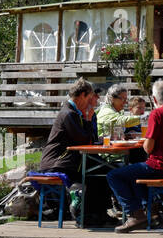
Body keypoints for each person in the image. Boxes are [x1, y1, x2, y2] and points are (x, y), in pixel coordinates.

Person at [109, 80, 163, 232]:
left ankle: (135, 215)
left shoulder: (157, 114)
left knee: (114, 175)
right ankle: (151, 210)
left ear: (154, 99)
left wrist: (148, 146)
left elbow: (148, 148)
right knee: (134, 173)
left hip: (159, 165)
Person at [39, 79, 114, 226]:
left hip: (70, 159)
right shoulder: (68, 113)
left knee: (103, 169)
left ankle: (99, 213)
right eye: (89, 97)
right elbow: (84, 139)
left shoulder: (74, 112)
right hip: (58, 162)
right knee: (97, 172)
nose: (90, 101)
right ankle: (88, 215)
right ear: (82, 95)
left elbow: (89, 138)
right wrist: (87, 118)